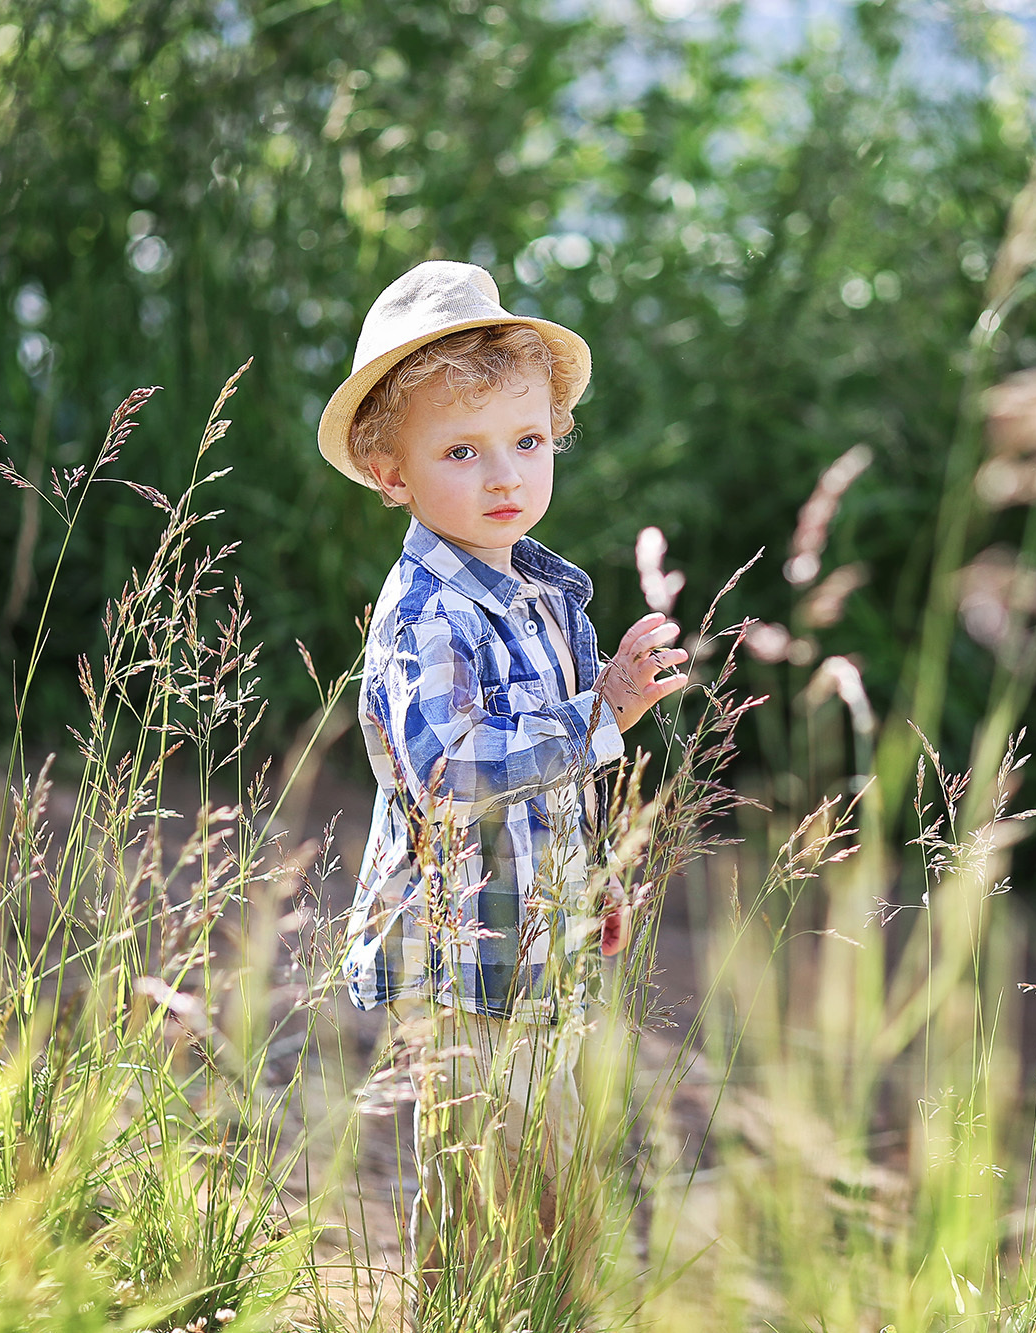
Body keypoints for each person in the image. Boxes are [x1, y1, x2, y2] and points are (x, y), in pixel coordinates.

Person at [318, 260, 686, 1325]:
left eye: (526, 442)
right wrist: (600, 713)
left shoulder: (536, 588)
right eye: (460, 451)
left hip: (542, 936)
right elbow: (446, 767)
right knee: (478, 1180)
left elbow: (554, 789)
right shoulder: (428, 609)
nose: (502, 476)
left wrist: (596, 875)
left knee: (557, 1168)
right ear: (391, 472)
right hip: (461, 956)